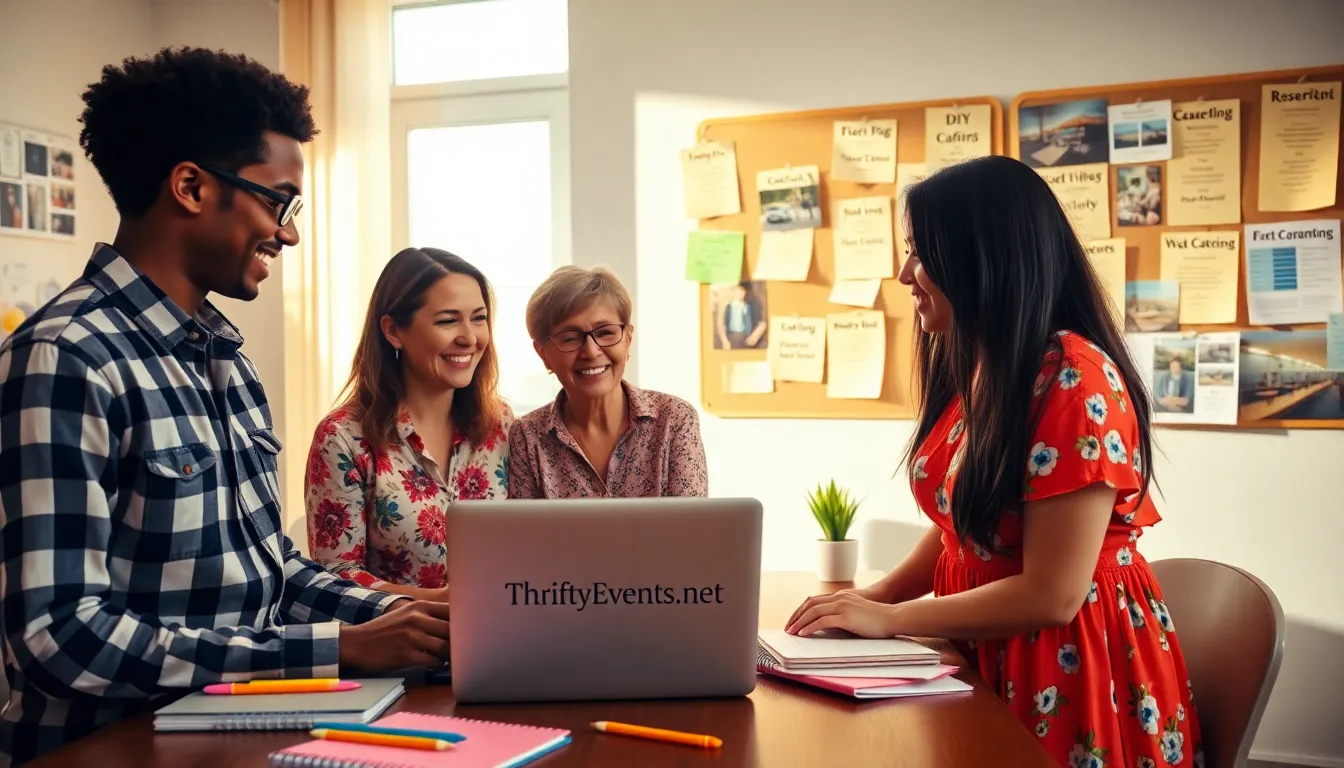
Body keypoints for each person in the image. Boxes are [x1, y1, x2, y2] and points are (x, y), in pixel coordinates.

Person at [0, 48, 451, 764]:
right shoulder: (67, 358)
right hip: (108, 751)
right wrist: (338, 649)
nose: (290, 231)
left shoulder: (226, 360)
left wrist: (409, 618)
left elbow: (269, 571)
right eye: (278, 201)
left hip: (239, 739)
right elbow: (61, 637)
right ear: (190, 187)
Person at [784, 156, 1202, 767]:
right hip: (987, 648)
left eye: (920, 254)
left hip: (1065, 667)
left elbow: (1053, 595)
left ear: (985, 260)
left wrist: (894, 619)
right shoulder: (985, 362)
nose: (904, 275)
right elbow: (963, 522)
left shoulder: (1073, 380)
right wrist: (875, 600)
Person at [305, 247, 512, 599]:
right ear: (393, 331)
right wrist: (445, 602)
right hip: (402, 648)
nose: (470, 337)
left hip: (502, 637)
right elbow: (336, 578)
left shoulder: (501, 423)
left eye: (479, 318)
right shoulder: (342, 437)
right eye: (448, 320)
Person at [508, 265, 707, 498]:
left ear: (628, 339)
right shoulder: (527, 436)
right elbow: (525, 534)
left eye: (605, 333)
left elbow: (691, 530)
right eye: (570, 338)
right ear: (543, 353)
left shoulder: (674, 420)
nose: (591, 352)